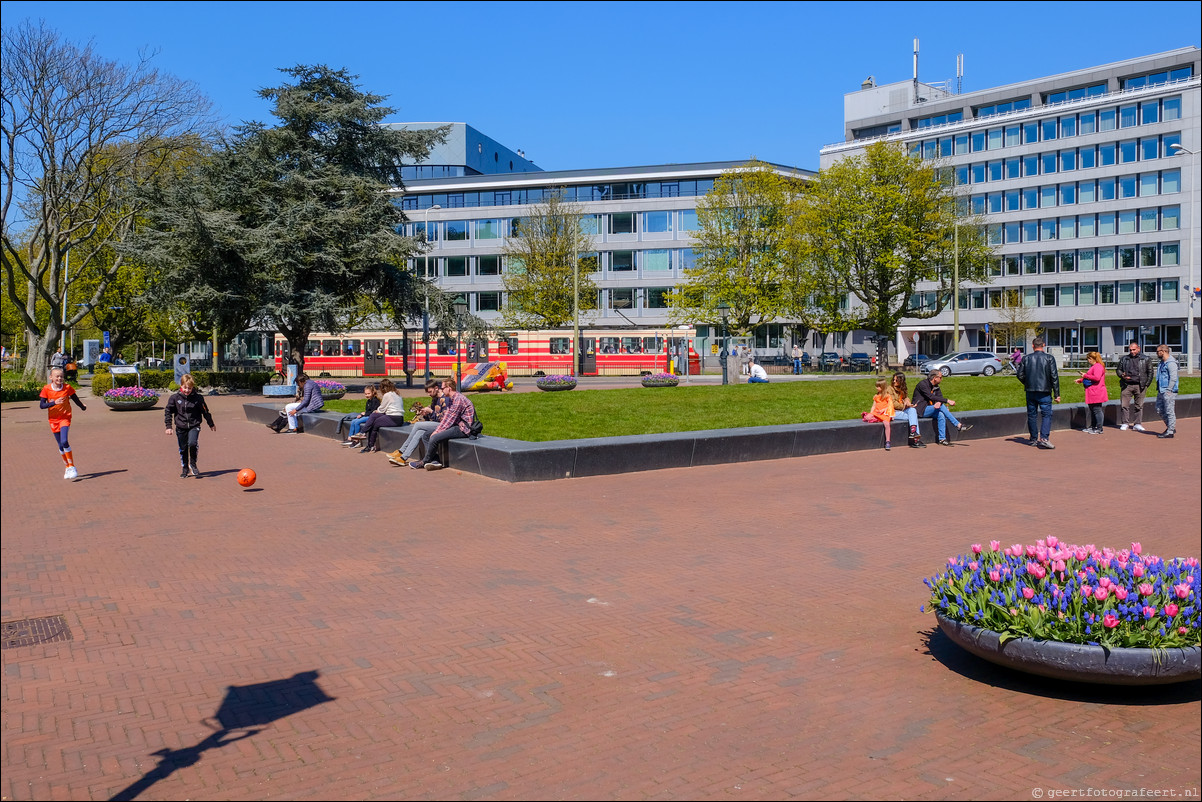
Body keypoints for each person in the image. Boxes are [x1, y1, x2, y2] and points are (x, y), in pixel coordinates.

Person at [411, 378, 476, 471]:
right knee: (426, 435)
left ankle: (424, 461)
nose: (441, 390)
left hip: (463, 429)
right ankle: (435, 460)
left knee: (434, 437)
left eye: (443, 388)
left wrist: (437, 431)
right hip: (455, 424)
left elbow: (450, 420)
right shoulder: (451, 399)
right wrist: (437, 430)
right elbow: (446, 417)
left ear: (449, 388)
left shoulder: (458, 399)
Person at [164, 373, 216, 478]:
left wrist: (211, 424)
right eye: (185, 388)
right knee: (183, 448)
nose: (187, 390)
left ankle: (193, 464)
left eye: (190, 388)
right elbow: (168, 412)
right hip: (180, 426)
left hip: (194, 425)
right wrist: (168, 426)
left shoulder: (198, 398)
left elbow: (205, 411)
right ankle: (185, 468)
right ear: (181, 386)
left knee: (192, 443)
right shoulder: (174, 398)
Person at [39, 366, 87, 479]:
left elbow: (75, 398)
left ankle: (72, 466)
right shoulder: (46, 389)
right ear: (51, 377)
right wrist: (54, 403)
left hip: (65, 417)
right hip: (53, 419)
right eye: (57, 376)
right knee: (60, 445)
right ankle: (67, 468)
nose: (59, 378)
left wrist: (82, 407)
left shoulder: (67, 388)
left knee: (64, 441)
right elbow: (42, 406)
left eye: (61, 376)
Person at [387, 379, 447, 466]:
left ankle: (401, 451)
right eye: (427, 392)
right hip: (436, 424)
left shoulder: (445, 399)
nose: (428, 394)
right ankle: (403, 458)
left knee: (418, 424)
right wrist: (425, 414)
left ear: (436, 388)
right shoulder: (435, 399)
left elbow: (444, 419)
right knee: (419, 432)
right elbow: (432, 418)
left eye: (430, 391)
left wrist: (431, 412)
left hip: (444, 425)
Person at [1016, 336, 1061, 449]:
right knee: (1046, 414)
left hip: (1030, 391)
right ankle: (1044, 438)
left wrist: (1028, 383)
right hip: (1045, 391)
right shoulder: (1049, 358)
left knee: (1032, 415)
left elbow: (1019, 374)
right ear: (1044, 345)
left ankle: (1033, 439)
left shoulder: (1026, 358)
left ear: (1032, 346)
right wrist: (1057, 394)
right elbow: (1054, 377)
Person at [912, 369, 972, 447]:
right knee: (942, 407)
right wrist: (947, 401)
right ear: (935, 378)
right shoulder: (923, 384)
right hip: (920, 410)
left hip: (930, 409)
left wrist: (939, 402)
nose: (942, 379)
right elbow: (930, 396)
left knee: (941, 414)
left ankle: (942, 439)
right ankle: (958, 425)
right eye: (941, 377)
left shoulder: (936, 387)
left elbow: (939, 397)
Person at [358, 378, 406, 453]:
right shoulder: (397, 394)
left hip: (393, 418)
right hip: (399, 418)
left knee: (374, 422)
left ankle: (369, 443)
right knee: (374, 417)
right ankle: (364, 435)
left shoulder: (387, 395)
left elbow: (382, 409)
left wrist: (376, 411)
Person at [1115, 341, 1154, 431]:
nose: (1132, 351)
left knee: (1139, 406)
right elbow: (1118, 370)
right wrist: (1122, 375)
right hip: (1127, 385)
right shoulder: (1124, 359)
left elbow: (1150, 372)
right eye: (1130, 350)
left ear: (1138, 349)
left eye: (1134, 350)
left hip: (1140, 385)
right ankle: (1125, 423)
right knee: (1124, 405)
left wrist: (1146, 384)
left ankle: (1137, 423)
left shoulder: (1146, 359)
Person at [887, 372, 925, 448]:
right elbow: (893, 404)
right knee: (913, 416)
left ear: (901, 381)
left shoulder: (902, 388)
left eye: (896, 380)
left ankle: (913, 432)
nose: (894, 381)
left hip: (901, 410)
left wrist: (908, 402)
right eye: (893, 380)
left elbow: (905, 397)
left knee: (913, 411)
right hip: (892, 411)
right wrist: (905, 407)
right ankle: (916, 440)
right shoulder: (889, 389)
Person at [1074, 351, 1108, 434]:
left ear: (1093, 359)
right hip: (1093, 391)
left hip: (1096, 391)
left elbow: (1096, 378)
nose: (1088, 360)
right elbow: (1091, 377)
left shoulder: (1097, 367)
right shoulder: (1095, 366)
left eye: (1089, 359)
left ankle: (1099, 428)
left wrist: (1085, 375)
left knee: (1097, 410)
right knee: (1093, 410)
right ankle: (1093, 427)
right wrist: (1081, 380)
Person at [1154, 344, 1179, 439]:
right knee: (1158, 409)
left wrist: (1169, 390)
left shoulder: (1171, 363)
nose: (1157, 353)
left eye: (1158, 351)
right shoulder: (1162, 362)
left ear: (1163, 351)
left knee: (1169, 411)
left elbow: (1173, 378)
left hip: (1169, 391)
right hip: (1161, 390)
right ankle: (1170, 427)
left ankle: (1170, 431)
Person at [864, 378, 895, 451]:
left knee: (886, 424)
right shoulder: (876, 396)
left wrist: (884, 410)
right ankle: (877, 419)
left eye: (878, 386)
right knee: (867, 417)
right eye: (876, 386)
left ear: (882, 387)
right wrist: (871, 413)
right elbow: (874, 406)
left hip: (884, 413)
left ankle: (888, 441)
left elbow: (890, 406)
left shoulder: (887, 396)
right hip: (877, 413)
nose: (876, 388)